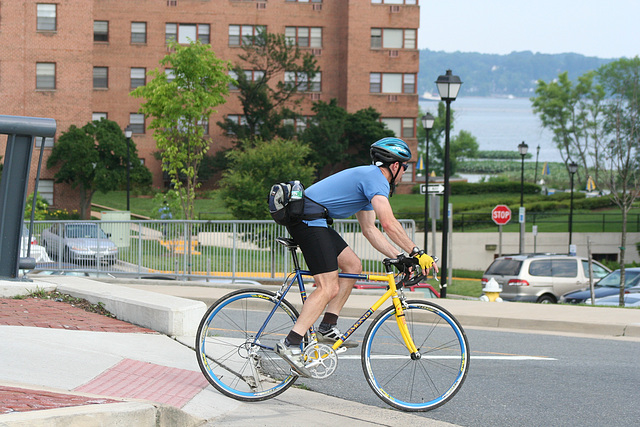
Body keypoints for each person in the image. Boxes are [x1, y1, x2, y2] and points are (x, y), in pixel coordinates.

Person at [275, 137, 439, 377]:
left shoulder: (369, 183)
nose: (404, 174)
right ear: (395, 166)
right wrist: (418, 253)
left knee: (352, 264)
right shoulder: (375, 179)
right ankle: (290, 343)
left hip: (316, 221)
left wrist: (400, 257)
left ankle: (327, 326)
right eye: (405, 168)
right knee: (327, 287)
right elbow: (389, 223)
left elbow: (371, 229)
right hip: (308, 221)